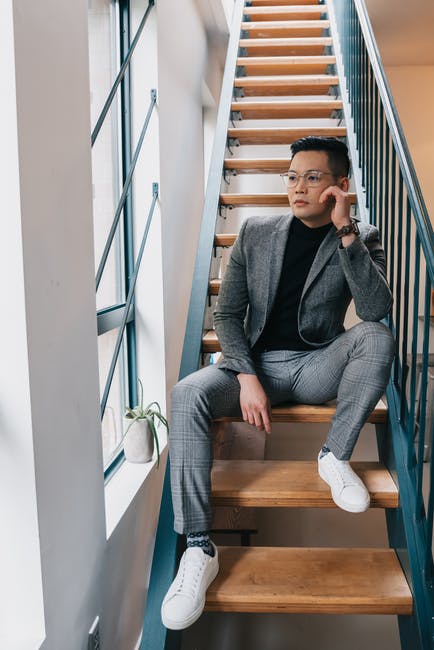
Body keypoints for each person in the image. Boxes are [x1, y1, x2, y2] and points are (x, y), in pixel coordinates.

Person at [161, 136, 394, 630]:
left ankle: (334, 456)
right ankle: (199, 548)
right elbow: (227, 314)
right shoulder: (256, 231)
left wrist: (346, 231)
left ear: (339, 186)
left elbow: (374, 309)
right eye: (291, 177)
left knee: (376, 336)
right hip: (253, 365)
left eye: (312, 177)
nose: (297, 187)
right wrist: (246, 374)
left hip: (315, 365)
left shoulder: (361, 235)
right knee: (186, 394)